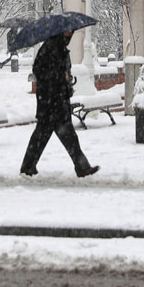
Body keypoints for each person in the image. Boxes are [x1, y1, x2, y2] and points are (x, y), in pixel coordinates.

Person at [20, 30, 99, 178]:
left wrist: (66, 78)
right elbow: (39, 70)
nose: (70, 34)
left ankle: (29, 167)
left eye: (71, 32)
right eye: (68, 31)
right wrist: (59, 75)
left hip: (57, 101)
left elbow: (62, 71)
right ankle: (28, 167)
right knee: (47, 136)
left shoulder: (61, 48)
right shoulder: (50, 47)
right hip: (51, 102)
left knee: (58, 137)